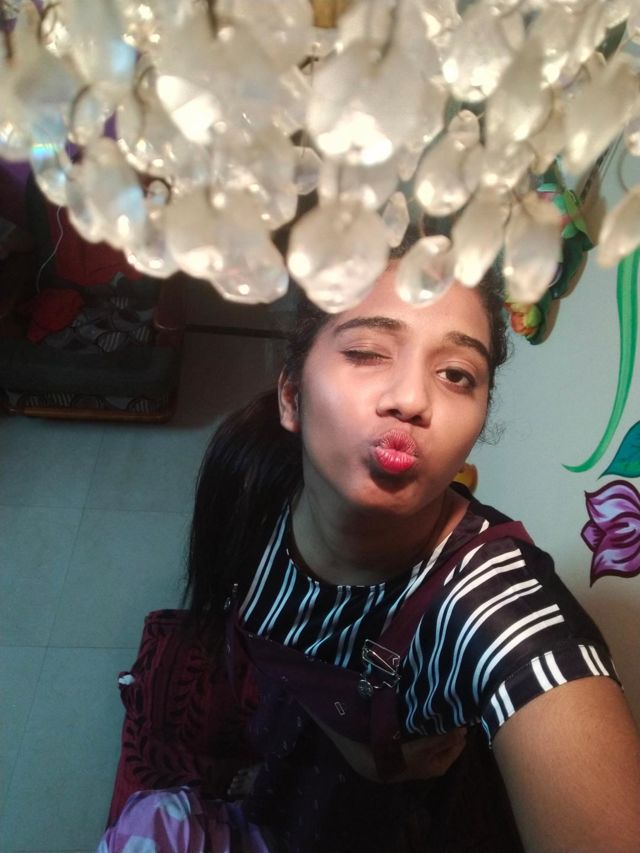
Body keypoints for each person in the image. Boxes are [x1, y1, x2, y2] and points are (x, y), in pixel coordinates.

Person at [99, 236, 640, 852]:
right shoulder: (248, 474)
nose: (411, 399)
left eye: (456, 375)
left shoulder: (492, 610)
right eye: (366, 352)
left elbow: (548, 673)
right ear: (292, 397)